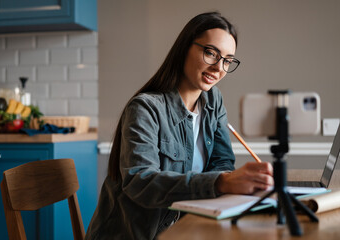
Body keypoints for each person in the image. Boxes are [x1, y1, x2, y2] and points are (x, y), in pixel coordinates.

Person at [85, 11, 273, 240]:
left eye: (227, 60)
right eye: (211, 53)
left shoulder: (214, 101)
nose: (219, 68)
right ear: (185, 47)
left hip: (184, 229)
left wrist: (229, 183)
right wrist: (221, 182)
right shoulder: (145, 109)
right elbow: (139, 182)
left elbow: (222, 162)